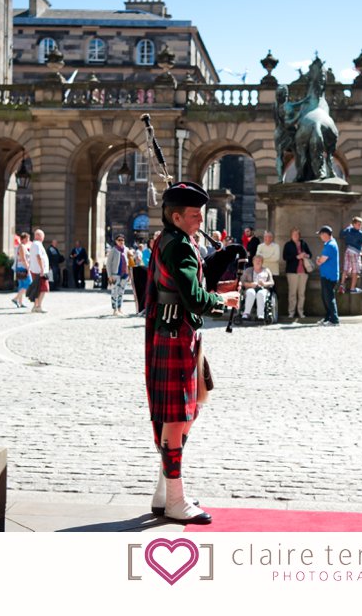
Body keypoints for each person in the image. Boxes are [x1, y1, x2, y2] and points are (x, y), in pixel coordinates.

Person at [145, 181, 240, 524]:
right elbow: (195, 298)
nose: (200, 219)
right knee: (177, 418)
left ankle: (164, 492)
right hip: (177, 337)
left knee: (188, 410)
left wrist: (215, 264)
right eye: (194, 214)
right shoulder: (181, 247)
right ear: (176, 216)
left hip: (175, 334)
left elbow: (189, 282)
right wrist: (223, 300)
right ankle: (175, 500)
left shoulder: (170, 240)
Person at [282, 226, 313, 318]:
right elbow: (285, 257)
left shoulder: (303, 243)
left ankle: (300, 312)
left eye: (297, 234)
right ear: (291, 235)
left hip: (303, 272)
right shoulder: (288, 245)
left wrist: (306, 255)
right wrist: (296, 257)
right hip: (292, 272)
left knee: (301, 294)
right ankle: (291, 312)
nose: (295, 236)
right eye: (294, 234)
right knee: (292, 293)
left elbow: (310, 254)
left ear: (299, 235)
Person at [316, 225, 340, 325]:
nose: (320, 236)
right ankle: (328, 318)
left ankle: (334, 320)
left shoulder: (330, 245)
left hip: (329, 276)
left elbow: (321, 260)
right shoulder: (330, 244)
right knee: (326, 297)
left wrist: (318, 260)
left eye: (321, 234)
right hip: (328, 275)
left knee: (329, 298)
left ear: (326, 235)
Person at [240, 254, 275, 320]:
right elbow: (242, 282)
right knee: (251, 292)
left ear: (262, 262)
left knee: (261, 294)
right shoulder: (248, 270)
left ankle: (260, 315)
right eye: (256, 260)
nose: (258, 262)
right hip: (251, 288)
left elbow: (272, 282)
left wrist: (264, 283)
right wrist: (250, 284)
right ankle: (246, 313)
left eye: (260, 261)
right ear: (253, 262)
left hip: (263, 289)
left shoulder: (266, 270)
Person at [339, 217, 362, 293]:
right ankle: (352, 288)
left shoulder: (348, 230)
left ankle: (342, 285)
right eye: (358, 224)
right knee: (355, 271)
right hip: (355, 251)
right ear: (354, 224)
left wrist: (348, 228)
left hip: (348, 250)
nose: (360, 226)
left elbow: (341, 234)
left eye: (360, 225)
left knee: (345, 268)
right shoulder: (360, 233)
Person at [106, 234, 130, 316]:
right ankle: (114, 310)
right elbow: (108, 264)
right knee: (114, 292)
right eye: (119, 240)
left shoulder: (126, 250)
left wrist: (129, 274)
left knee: (121, 292)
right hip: (115, 275)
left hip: (125, 275)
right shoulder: (113, 250)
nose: (121, 241)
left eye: (122, 240)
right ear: (116, 241)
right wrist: (109, 276)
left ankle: (120, 309)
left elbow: (129, 262)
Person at [28, 228, 50, 313]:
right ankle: (39, 306)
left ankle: (35, 306)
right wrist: (42, 269)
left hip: (36, 270)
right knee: (44, 288)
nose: (43, 237)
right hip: (39, 271)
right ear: (39, 236)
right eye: (42, 235)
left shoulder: (35, 244)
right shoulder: (37, 244)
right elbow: (38, 256)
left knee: (37, 289)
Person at [12, 231, 32, 308]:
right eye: (27, 238)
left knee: (21, 285)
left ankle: (20, 302)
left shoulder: (19, 246)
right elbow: (23, 259)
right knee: (29, 283)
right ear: (23, 239)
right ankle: (15, 299)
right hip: (23, 267)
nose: (28, 240)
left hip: (19, 267)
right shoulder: (22, 246)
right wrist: (28, 268)